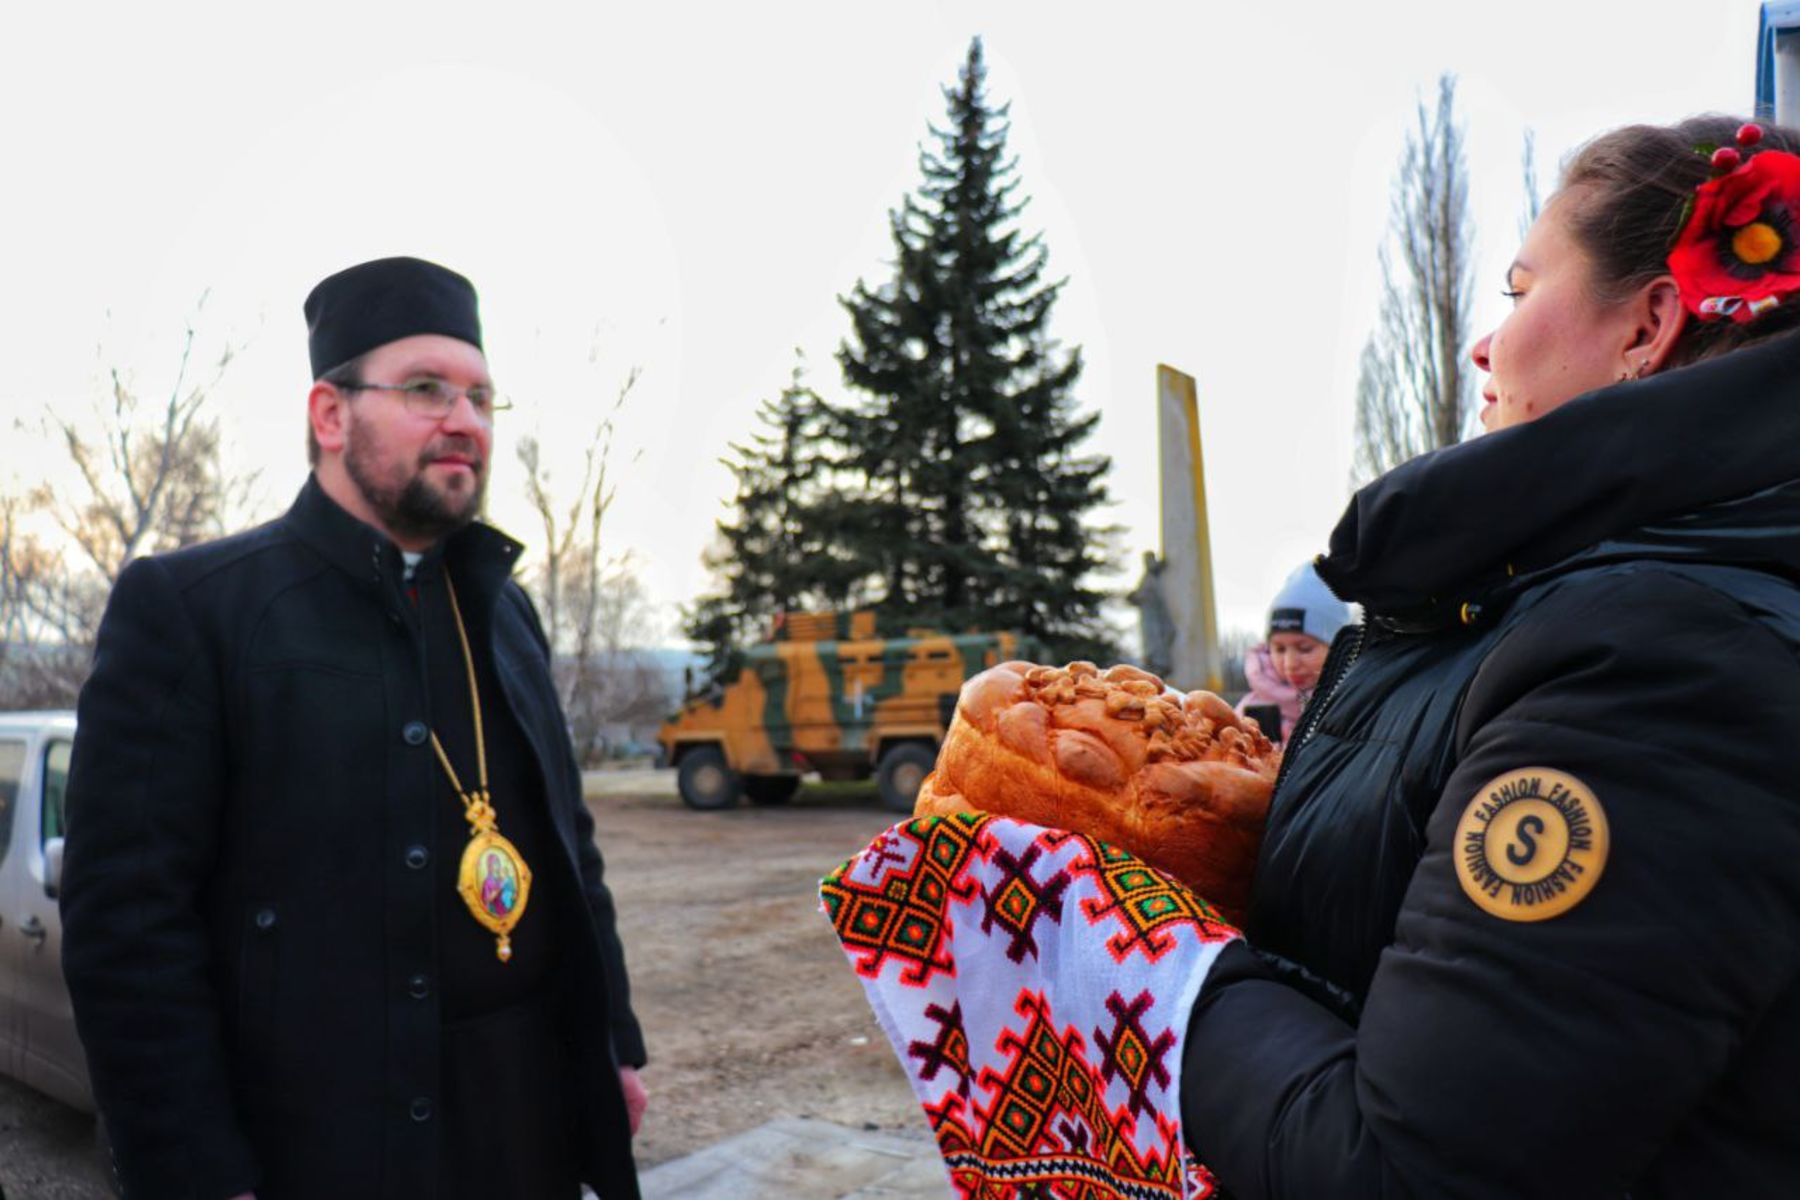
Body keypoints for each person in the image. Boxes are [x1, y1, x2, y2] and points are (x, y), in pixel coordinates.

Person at [1175, 116, 1800, 1196]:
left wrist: (1147, 964)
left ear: (1649, 324)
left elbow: (1419, 1173)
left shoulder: (1658, 668)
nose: (1482, 343)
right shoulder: (1577, 618)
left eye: (1517, 292)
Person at [60, 257, 648, 1200]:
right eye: (425, 389)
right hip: (321, 1148)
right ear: (330, 416)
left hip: (524, 1130)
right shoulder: (195, 610)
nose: (464, 420)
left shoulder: (505, 615)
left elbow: (568, 848)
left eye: (482, 398)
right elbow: (127, 925)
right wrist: (196, 1171)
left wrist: (613, 1044)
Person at [1233, 561, 1351, 745]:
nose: (1290, 663)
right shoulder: (1252, 710)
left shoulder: (1356, 705)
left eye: (1305, 649)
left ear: (1339, 648)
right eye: (1279, 649)